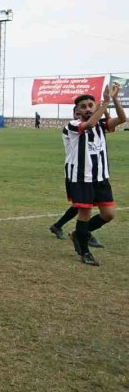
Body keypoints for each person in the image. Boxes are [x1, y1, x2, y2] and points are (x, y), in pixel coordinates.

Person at [64, 84, 124, 265]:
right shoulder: (72, 126)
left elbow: (122, 118)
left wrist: (113, 99)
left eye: (91, 105)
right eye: (83, 107)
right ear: (77, 111)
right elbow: (88, 124)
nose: (88, 109)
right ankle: (85, 252)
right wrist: (104, 102)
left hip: (100, 177)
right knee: (85, 214)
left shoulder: (101, 126)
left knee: (108, 214)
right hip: (82, 178)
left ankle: (78, 235)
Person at [49, 106, 103, 248]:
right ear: (75, 113)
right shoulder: (72, 127)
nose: (82, 112)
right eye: (78, 111)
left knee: (83, 204)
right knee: (82, 205)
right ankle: (83, 233)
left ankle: (63, 227)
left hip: (87, 173)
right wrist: (103, 106)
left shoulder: (87, 128)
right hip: (74, 172)